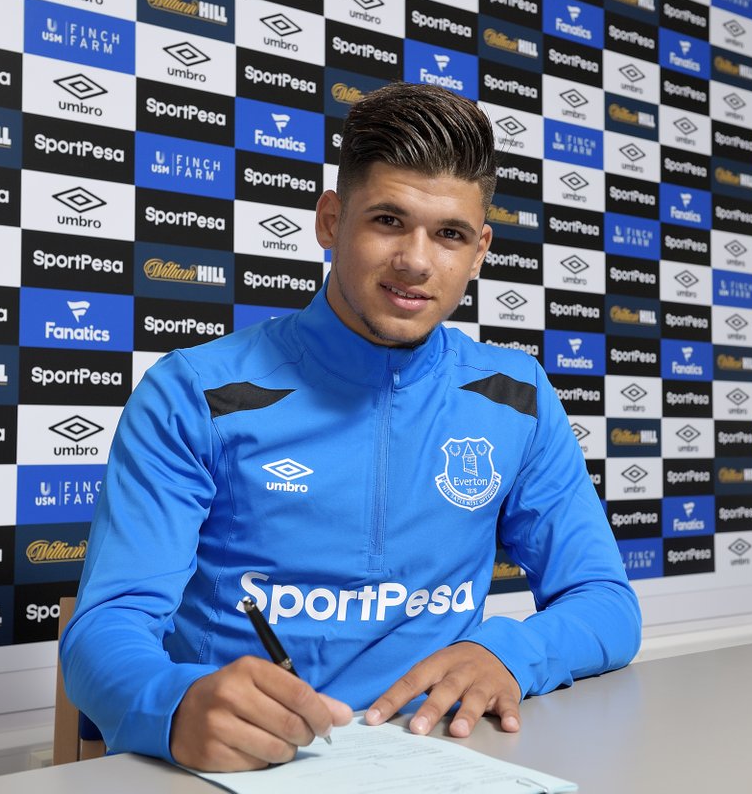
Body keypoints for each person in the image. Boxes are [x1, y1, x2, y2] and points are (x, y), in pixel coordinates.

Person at [60, 82, 642, 772]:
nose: (416, 261)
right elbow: (105, 627)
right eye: (389, 220)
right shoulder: (193, 391)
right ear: (331, 220)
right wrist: (176, 704)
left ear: (479, 250)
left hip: (445, 761)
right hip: (250, 768)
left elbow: (606, 602)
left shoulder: (516, 395)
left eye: (450, 234)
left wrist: (509, 652)